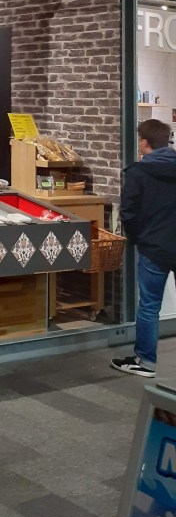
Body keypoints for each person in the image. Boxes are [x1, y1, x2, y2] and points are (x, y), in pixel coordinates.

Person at [112, 118, 176, 378]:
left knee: (149, 306)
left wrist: (139, 239)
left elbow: (128, 212)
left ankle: (146, 362)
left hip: (153, 247)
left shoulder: (138, 173)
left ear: (145, 142)